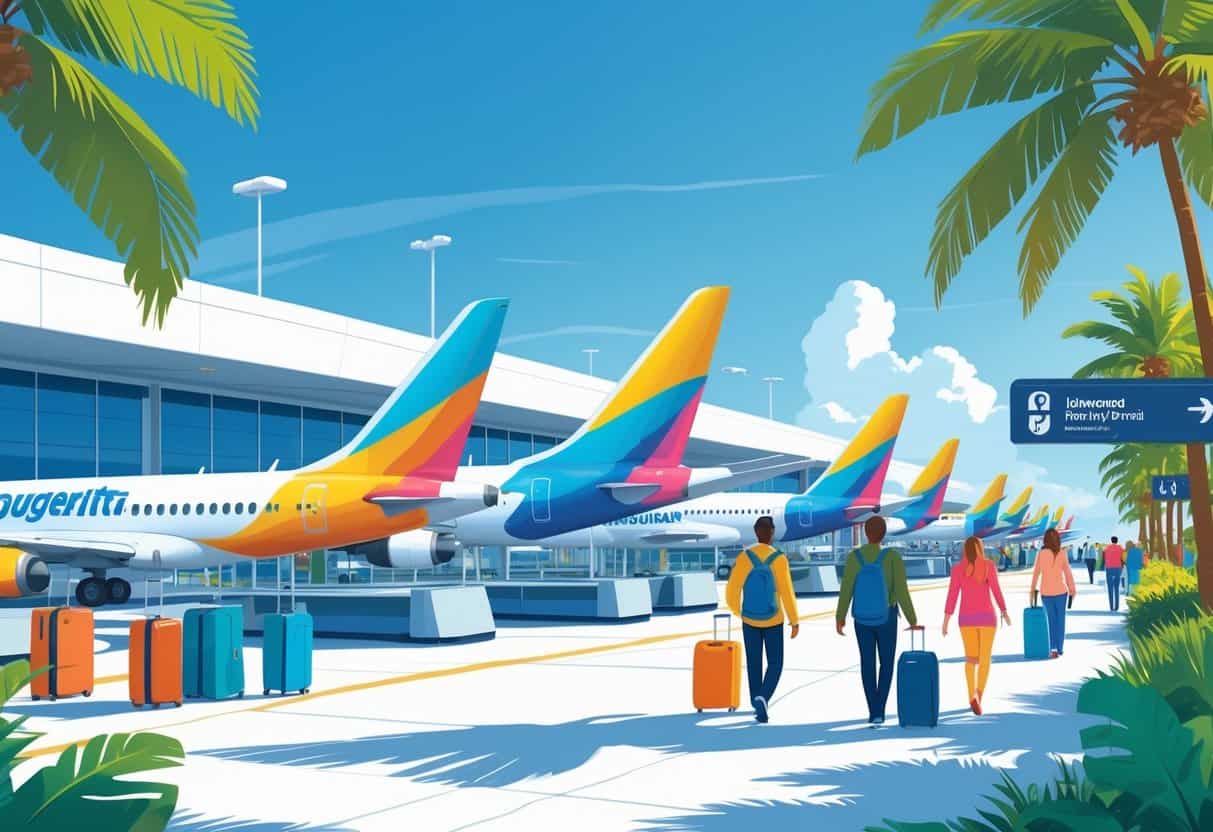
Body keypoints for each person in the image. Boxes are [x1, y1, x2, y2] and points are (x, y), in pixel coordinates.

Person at [836, 516, 919, 725]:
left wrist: (840, 617)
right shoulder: (892, 557)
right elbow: (902, 591)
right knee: (886, 663)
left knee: (867, 663)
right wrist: (912, 619)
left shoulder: (854, 557)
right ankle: (880, 709)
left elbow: (846, 589)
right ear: (884, 533)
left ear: (866, 533)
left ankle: (872, 708)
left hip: (862, 618)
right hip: (887, 618)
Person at [725, 515, 799, 723]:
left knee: (753, 663)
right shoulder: (779, 558)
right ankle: (763, 696)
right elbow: (787, 592)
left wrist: (740, 612)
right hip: (774, 619)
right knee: (775, 663)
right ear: (772, 533)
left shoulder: (744, 557)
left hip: (750, 619)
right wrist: (794, 620)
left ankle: (756, 701)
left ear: (756, 532)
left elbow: (732, 589)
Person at [942, 536, 1011, 715]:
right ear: (981, 549)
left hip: (966, 620)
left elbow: (952, 595)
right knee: (985, 659)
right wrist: (1004, 611)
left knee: (971, 659)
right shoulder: (989, 566)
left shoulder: (957, 569)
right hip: (988, 618)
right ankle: (979, 694)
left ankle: (971, 694)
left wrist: (946, 621)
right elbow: (996, 590)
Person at [1030, 528, 1077, 658]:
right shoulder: (1062, 553)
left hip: (1046, 593)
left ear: (1045, 540)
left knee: (1050, 621)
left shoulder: (1041, 554)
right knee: (1060, 620)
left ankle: (1053, 649)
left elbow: (1036, 573)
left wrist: (1032, 589)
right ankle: (1060, 648)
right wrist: (1072, 589)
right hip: (1061, 592)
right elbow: (1067, 572)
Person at [1102, 535, 1125, 611]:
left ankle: (1111, 607)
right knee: (1116, 588)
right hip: (1118, 568)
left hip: (1109, 568)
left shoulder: (1107, 548)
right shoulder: (1121, 548)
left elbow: (1104, 558)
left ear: (1111, 540)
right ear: (1117, 541)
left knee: (1110, 588)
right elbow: (1123, 558)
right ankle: (1117, 606)